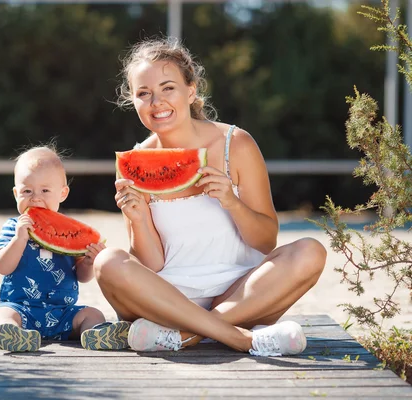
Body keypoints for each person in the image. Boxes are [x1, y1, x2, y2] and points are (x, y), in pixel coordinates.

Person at [92, 37, 327, 356]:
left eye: (168, 88)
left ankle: (187, 334)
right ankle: (240, 338)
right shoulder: (134, 164)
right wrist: (138, 219)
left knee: (310, 251)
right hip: (165, 300)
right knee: (107, 262)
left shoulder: (236, 145)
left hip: (242, 295)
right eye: (143, 93)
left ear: (191, 90)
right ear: (133, 100)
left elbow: (265, 242)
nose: (156, 102)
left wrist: (231, 202)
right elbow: (152, 264)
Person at [0, 146, 131, 352]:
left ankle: (95, 333)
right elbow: (3, 267)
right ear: (15, 193)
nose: (35, 198)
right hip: (22, 309)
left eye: (45, 191)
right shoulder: (13, 227)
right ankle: (11, 333)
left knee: (92, 314)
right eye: (27, 191)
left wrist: (89, 262)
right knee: (2, 314)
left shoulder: (70, 233)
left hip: (63, 313)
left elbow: (82, 276)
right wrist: (20, 239)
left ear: (63, 193)